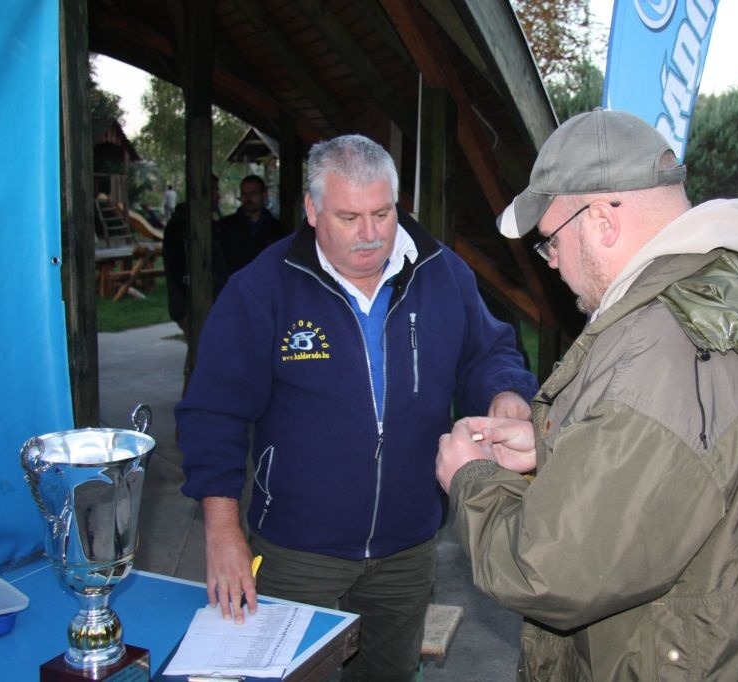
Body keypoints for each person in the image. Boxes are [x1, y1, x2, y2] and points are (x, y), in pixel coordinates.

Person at [435, 110, 738, 681]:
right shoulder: (736, 285)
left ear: (604, 219)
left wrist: (472, 480)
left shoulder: (661, 347)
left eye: (550, 239)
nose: (552, 258)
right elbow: (695, 460)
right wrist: (549, 440)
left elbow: (551, 569)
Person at [177, 134, 537, 681]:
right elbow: (213, 413)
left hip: (410, 546)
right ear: (312, 209)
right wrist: (222, 529)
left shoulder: (443, 274)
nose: (371, 235)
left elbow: (488, 350)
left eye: (383, 213)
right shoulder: (263, 289)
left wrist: (505, 390)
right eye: (349, 217)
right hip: (298, 551)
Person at [161, 175, 229, 393]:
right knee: (199, 363)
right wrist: (185, 308)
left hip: (215, 302)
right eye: (214, 190)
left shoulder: (212, 225)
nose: (218, 195)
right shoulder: (179, 227)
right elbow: (178, 270)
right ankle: (189, 421)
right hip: (193, 306)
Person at [217, 174, 289, 274]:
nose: (248, 198)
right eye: (244, 194)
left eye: (254, 193)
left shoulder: (277, 229)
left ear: (264, 195)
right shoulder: (226, 227)